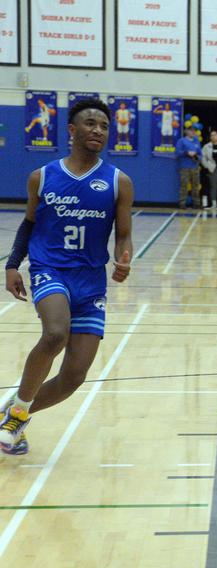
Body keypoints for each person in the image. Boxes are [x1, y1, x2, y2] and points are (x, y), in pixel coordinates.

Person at [2, 98, 133, 455]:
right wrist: (13, 264)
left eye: (105, 126)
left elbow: (123, 232)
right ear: (73, 130)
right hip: (50, 269)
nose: (99, 130)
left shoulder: (118, 182)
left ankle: (14, 411)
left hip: (91, 280)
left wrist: (124, 257)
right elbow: (29, 224)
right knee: (56, 332)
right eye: (91, 123)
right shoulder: (42, 176)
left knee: (74, 376)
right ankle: (15, 417)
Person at [175, 126, 202, 209]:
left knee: (195, 186)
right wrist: (187, 153)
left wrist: (197, 157)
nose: (193, 132)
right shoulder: (181, 141)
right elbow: (177, 153)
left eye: (194, 131)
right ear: (186, 131)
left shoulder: (196, 141)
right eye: (191, 131)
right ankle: (182, 203)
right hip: (184, 167)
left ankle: (196, 203)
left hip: (195, 167)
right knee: (184, 185)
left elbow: (200, 154)